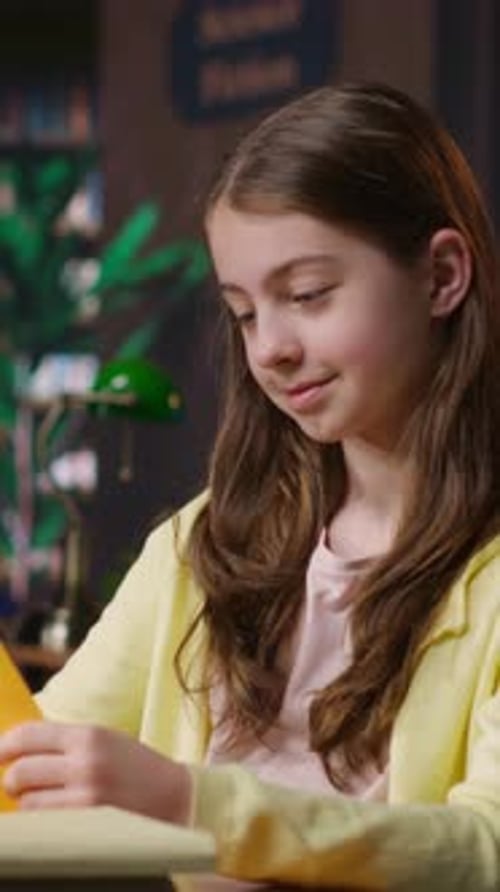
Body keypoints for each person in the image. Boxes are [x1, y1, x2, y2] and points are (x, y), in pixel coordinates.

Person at [1, 82, 500, 890]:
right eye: (242, 311)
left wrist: (190, 803)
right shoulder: (204, 545)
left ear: (441, 276)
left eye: (307, 296)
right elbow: (31, 762)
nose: (269, 348)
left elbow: (485, 849)